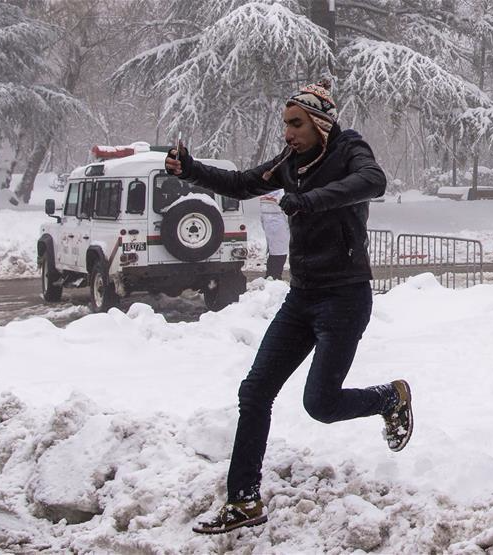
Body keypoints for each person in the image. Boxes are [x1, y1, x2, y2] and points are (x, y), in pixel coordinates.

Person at [165, 79, 413, 534]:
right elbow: (242, 183)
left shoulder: (348, 149)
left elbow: (372, 181)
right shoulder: (288, 162)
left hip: (344, 296)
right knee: (254, 392)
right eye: (285, 124)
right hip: (302, 296)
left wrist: (309, 201)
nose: (288, 132)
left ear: (320, 122)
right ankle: (244, 502)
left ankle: (389, 398)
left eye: (296, 123)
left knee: (320, 403)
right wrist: (191, 169)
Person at [259, 189, 289, 279]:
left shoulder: (263, 192)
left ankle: (270, 275)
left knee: (273, 253)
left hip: (268, 225)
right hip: (280, 224)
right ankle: (276, 276)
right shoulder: (281, 193)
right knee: (280, 253)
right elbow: (288, 211)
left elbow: (261, 213)